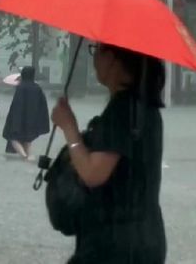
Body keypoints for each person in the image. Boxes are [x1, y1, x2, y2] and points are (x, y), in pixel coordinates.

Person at [50, 43, 167, 263]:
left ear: (113, 59)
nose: (94, 59)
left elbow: (93, 174)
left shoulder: (122, 110)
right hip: (145, 238)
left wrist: (69, 127)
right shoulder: (146, 109)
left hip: (114, 244)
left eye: (96, 50)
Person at [2, 66, 49, 160]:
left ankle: (24, 156)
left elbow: (16, 105)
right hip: (32, 119)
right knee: (28, 139)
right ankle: (29, 156)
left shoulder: (21, 87)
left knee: (12, 137)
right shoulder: (37, 88)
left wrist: (12, 119)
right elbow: (43, 104)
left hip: (19, 119)